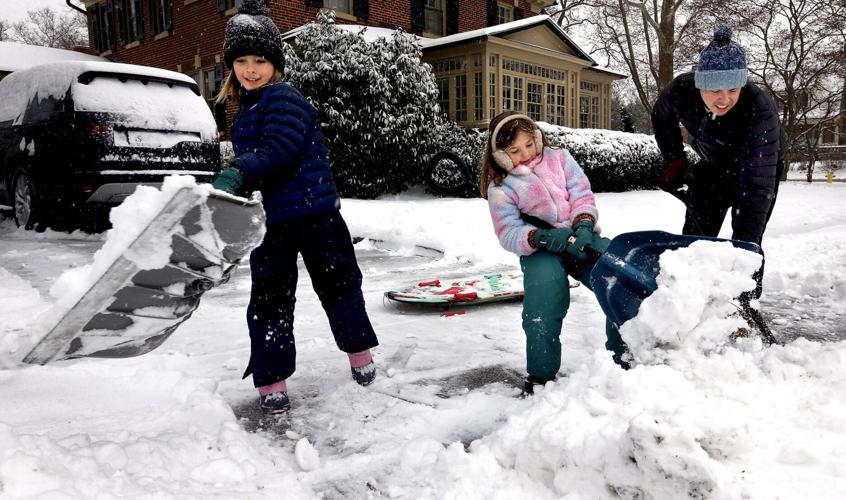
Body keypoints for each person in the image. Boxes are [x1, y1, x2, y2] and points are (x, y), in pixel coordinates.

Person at [211, 0, 379, 415]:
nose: (251, 69)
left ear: (276, 64)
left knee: (339, 287)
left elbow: (278, 151)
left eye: (261, 60)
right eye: (242, 61)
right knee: (269, 298)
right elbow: (260, 165)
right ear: (231, 66)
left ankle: (360, 354)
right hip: (272, 222)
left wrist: (237, 171)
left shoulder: (285, 99)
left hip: (316, 214)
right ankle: (271, 377)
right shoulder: (245, 111)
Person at [480, 111, 630, 394]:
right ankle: (540, 374)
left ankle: (625, 356)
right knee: (545, 295)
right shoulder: (501, 187)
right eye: (514, 150)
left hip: (581, 237)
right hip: (541, 250)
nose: (524, 153)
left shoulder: (560, 158)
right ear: (500, 155)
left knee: (618, 274)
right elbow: (508, 232)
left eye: (528, 144)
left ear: (537, 137)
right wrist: (542, 237)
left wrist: (584, 224)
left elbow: (581, 193)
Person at [651, 25, 785, 299]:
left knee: (746, 241)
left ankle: (744, 304)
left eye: (733, 89)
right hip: (713, 164)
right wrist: (675, 158)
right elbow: (662, 119)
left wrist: (746, 246)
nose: (724, 99)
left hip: (757, 167)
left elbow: (758, 190)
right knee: (695, 236)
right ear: (700, 84)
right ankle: (688, 297)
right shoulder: (681, 91)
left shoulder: (759, 111)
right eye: (715, 90)